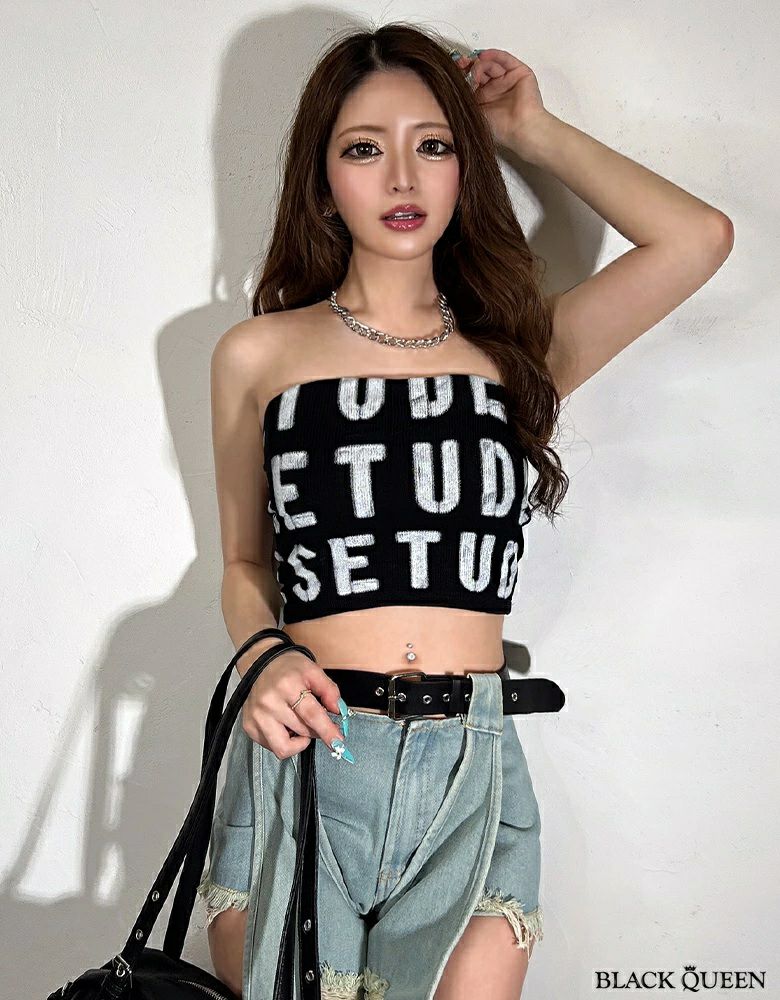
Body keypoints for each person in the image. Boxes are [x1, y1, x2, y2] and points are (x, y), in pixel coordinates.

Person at [196, 22, 734, 1000]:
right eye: (365, 148)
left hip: (474, 769)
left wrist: (529, 129)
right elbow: (242, 564)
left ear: (464, 170)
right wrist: (261, 655)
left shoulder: (516, 357)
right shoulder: (258, 354)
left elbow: (697, 238)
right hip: (308, 752)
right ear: (322, 182)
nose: (403, 176)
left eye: (435, 145)